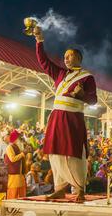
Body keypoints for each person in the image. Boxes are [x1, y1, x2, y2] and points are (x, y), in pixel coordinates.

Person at [34, 25, 98, 202]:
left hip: (73, 118)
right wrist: (39, 40)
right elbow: (43, 61)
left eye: (70, 56)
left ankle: (79, 189)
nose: (67, 59)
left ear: (79, 58)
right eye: (65, 57)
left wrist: (82, 94)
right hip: (56, 116)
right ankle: (60, 188)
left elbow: (93, 100)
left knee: (74, 153)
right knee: (55, 153)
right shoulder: (60, 73)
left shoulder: (86, 77)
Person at [4, 130, 27, 199]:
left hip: (19, 173)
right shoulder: (9, 147)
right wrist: (23, 154)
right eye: (19, 138)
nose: (20, 139)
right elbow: (12, 159)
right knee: (14, 191)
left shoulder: (17, 147)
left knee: (21, 190)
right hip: (13, 174)